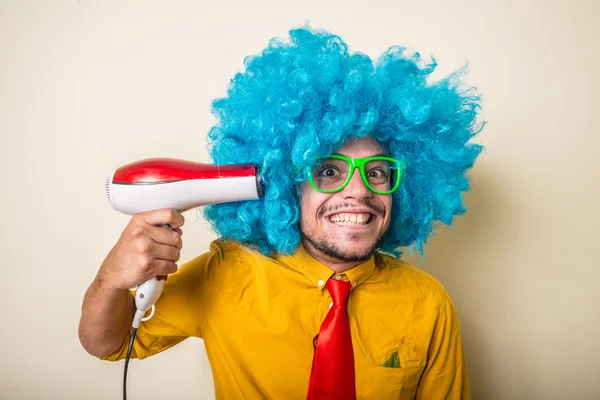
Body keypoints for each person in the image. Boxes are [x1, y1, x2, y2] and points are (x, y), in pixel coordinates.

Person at [79, 25, 484, 399]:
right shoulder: (226, 276)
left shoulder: (428, 302)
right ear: (287, 186)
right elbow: (106, 343)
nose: (359, 191)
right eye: (328, 171)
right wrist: (111, 279)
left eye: (377, 172)